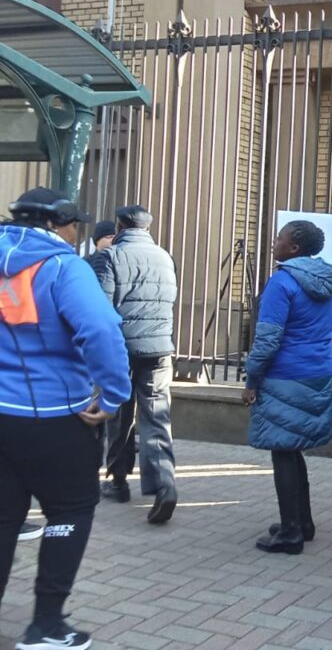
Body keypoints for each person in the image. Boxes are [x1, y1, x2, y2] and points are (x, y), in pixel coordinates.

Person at [0, 187, 132, 650]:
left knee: (3, 518)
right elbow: (99, 328)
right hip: (57, 417)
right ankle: (47, 625)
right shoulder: (62, 266)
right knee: (69, 512)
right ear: (62, 223)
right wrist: (114, 395)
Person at [242, 221, 332, 555]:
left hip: (284, 375)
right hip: (318, 371)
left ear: (295, 248)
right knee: (294, 447)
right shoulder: (326, 283)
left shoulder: (282, 282)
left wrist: (252, 380)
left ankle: (290, 533)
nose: (274, 242)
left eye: (280, 238)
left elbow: (267, 338)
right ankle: (303, 522)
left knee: (282, 450)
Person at [93, 205, 179, 524]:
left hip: (122, 347)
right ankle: (165, 485)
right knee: (157, 416)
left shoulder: (111, 256)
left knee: (119, 412)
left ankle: (117, 481)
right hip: (159, 347)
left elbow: (101, 311)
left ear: (120, 226)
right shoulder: (164, 256)